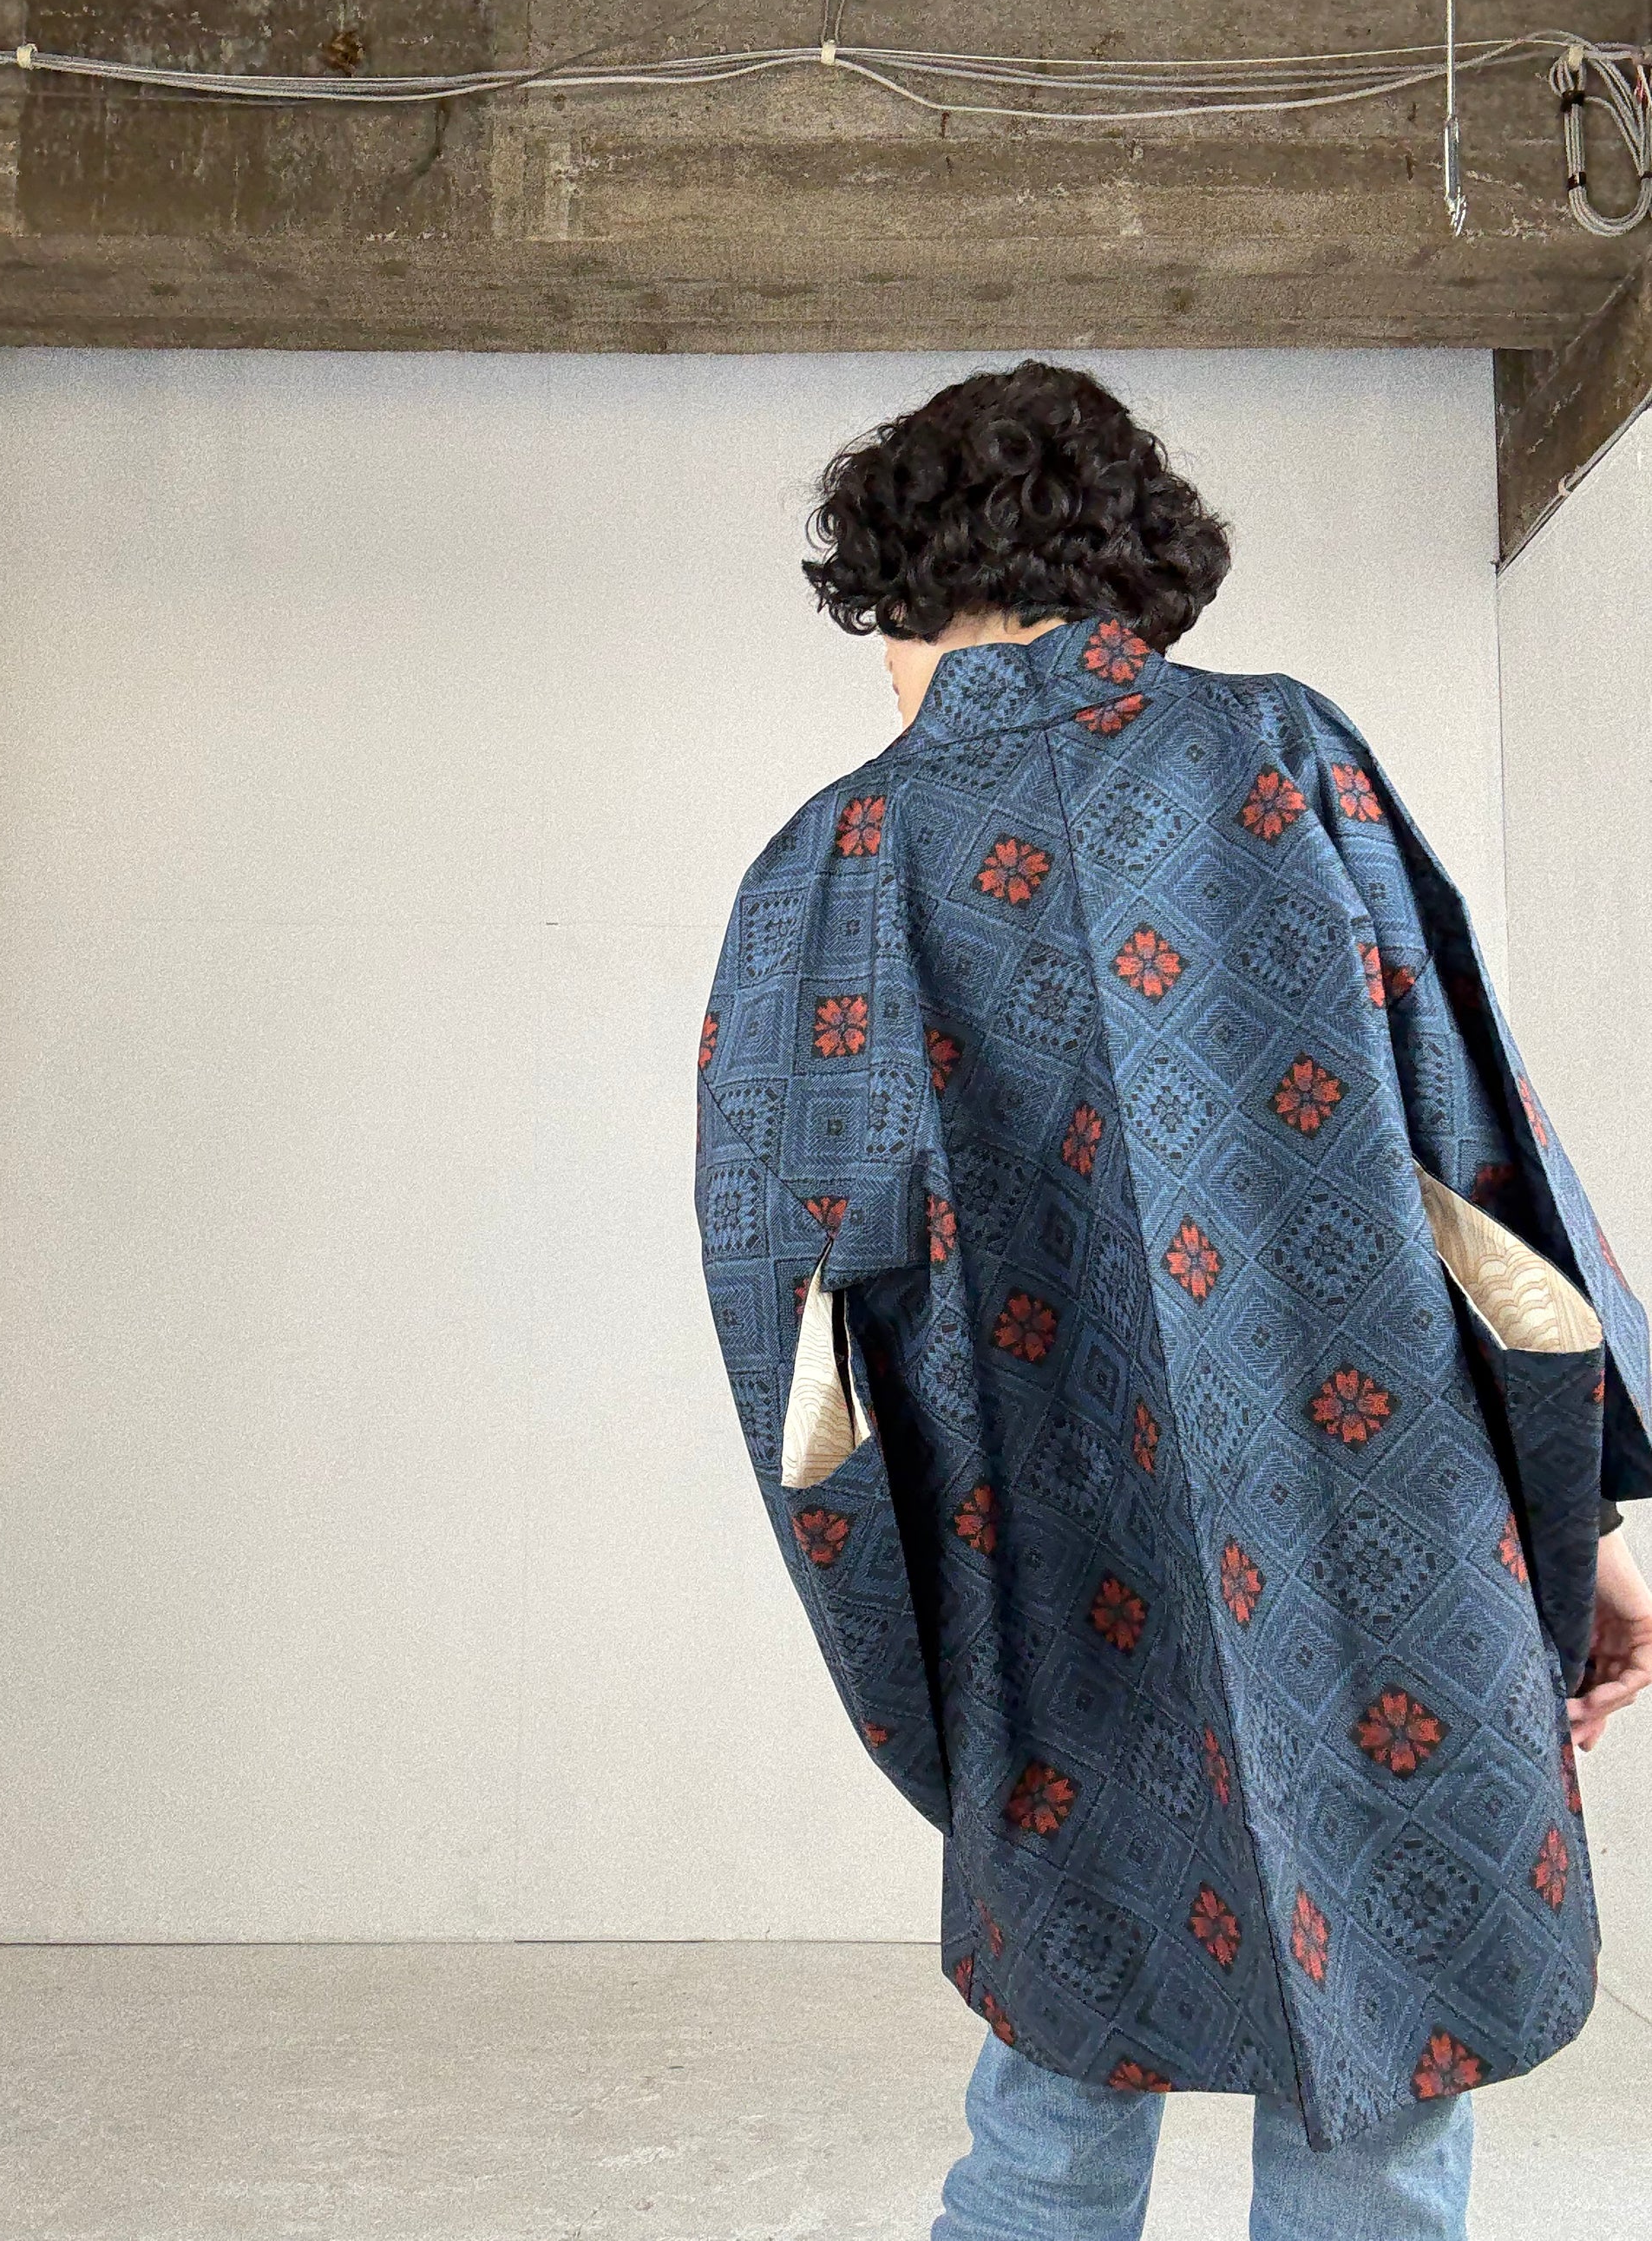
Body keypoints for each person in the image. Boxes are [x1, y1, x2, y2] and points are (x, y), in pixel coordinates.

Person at [692, 359, 1652, 2238]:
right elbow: (1476, 1165)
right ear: (1126, 565)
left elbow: (789, 1304)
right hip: (1375, 1528)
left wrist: (915, 1610)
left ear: (900, 586)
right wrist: (1581, 1516)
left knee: (1059, 2077)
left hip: (1054, 1578)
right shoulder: (1282, 751)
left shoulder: (832, 862)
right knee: (1382, 2057)